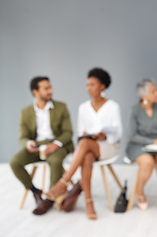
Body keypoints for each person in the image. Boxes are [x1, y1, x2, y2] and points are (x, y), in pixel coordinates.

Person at [44, 67, 122, 220]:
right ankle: (89, 202)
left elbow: (117, 133)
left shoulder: (113, 107)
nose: (89, 88)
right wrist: (86, 135)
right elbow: (80, 133)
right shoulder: (83, 108)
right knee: (86, 154)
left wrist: (103, 136)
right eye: (87, 85)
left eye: (92, 84)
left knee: (86, 144)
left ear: (102, 86)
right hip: (88, 148)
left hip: (108, 147)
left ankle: (63, 182)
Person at [10, 76, 74, 215]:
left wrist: (56, 144)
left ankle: (50, 198)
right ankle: (35, 191)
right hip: (37, 146)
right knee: (15, 162)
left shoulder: (61, 107)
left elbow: (68, 132)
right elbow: (23, 136)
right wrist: (28, 143)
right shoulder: (26, 112)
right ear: (35, 91)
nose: (50, 91)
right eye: (46, 88)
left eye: (50, 87)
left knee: (56, 161)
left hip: (57, 144)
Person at [126, 79, 157, 220]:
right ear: (144, 96)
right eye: (153, 91)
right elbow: (132, 135)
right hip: (138, 146)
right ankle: (140, 192)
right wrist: (152, 141)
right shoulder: (134, 111)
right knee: (148, 162)